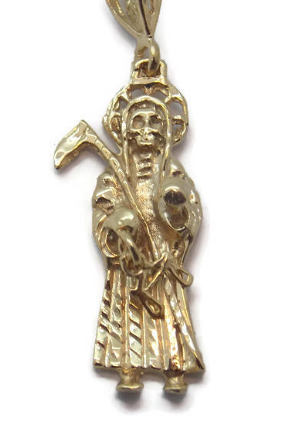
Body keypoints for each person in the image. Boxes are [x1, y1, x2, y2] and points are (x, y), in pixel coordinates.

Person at [92, 83, 205, 393]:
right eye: (138, 122)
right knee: (128, 310)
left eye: (154, 122)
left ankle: (174, 370)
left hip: (163, 256)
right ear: (126, 130)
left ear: (166, 131)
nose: (145, 130)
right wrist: (116, 226)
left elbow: (191, 210)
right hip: (131, 264)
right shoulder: (116, 173)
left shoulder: (172, 169)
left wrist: (177, 210)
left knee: (169, 310)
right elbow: (103, 207)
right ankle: (128, 369)